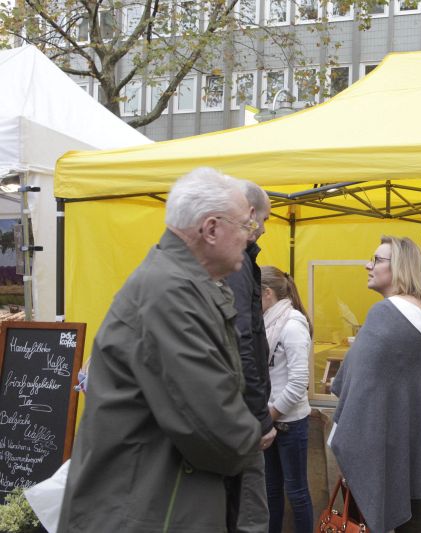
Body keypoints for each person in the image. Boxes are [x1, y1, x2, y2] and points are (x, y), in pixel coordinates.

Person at [59, 168, 275, 533]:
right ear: (210, 229)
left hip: (155, 502)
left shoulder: (183, 283)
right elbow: (213, 427)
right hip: (145, 510)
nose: (251, 235)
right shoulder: (170, 292)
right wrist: (250, 439)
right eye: (245, 225)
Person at [330, 236, 421, 533]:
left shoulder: (384, 314)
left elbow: (353, 377)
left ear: (400, 267)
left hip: (380, 440)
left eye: (377, 260)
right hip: (415, 442)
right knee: (412, 516)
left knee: (367, 517)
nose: (368, 265)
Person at [226, 181, 275, 533]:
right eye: (266, 219)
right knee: (250, 512)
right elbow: (242, 338)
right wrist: (259, 416)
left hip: (235, 410)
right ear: (252, 214)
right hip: (242, 414)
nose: (265, 229)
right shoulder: (238, 263)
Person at [260, 266, 314, 533]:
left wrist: (269, 417)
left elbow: (298, 383)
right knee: (271, 490)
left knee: (296, 492)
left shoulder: (292, 324)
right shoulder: (268, 322)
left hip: (290, 423)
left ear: (267, 293)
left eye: (254, 294)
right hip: (271, 420)